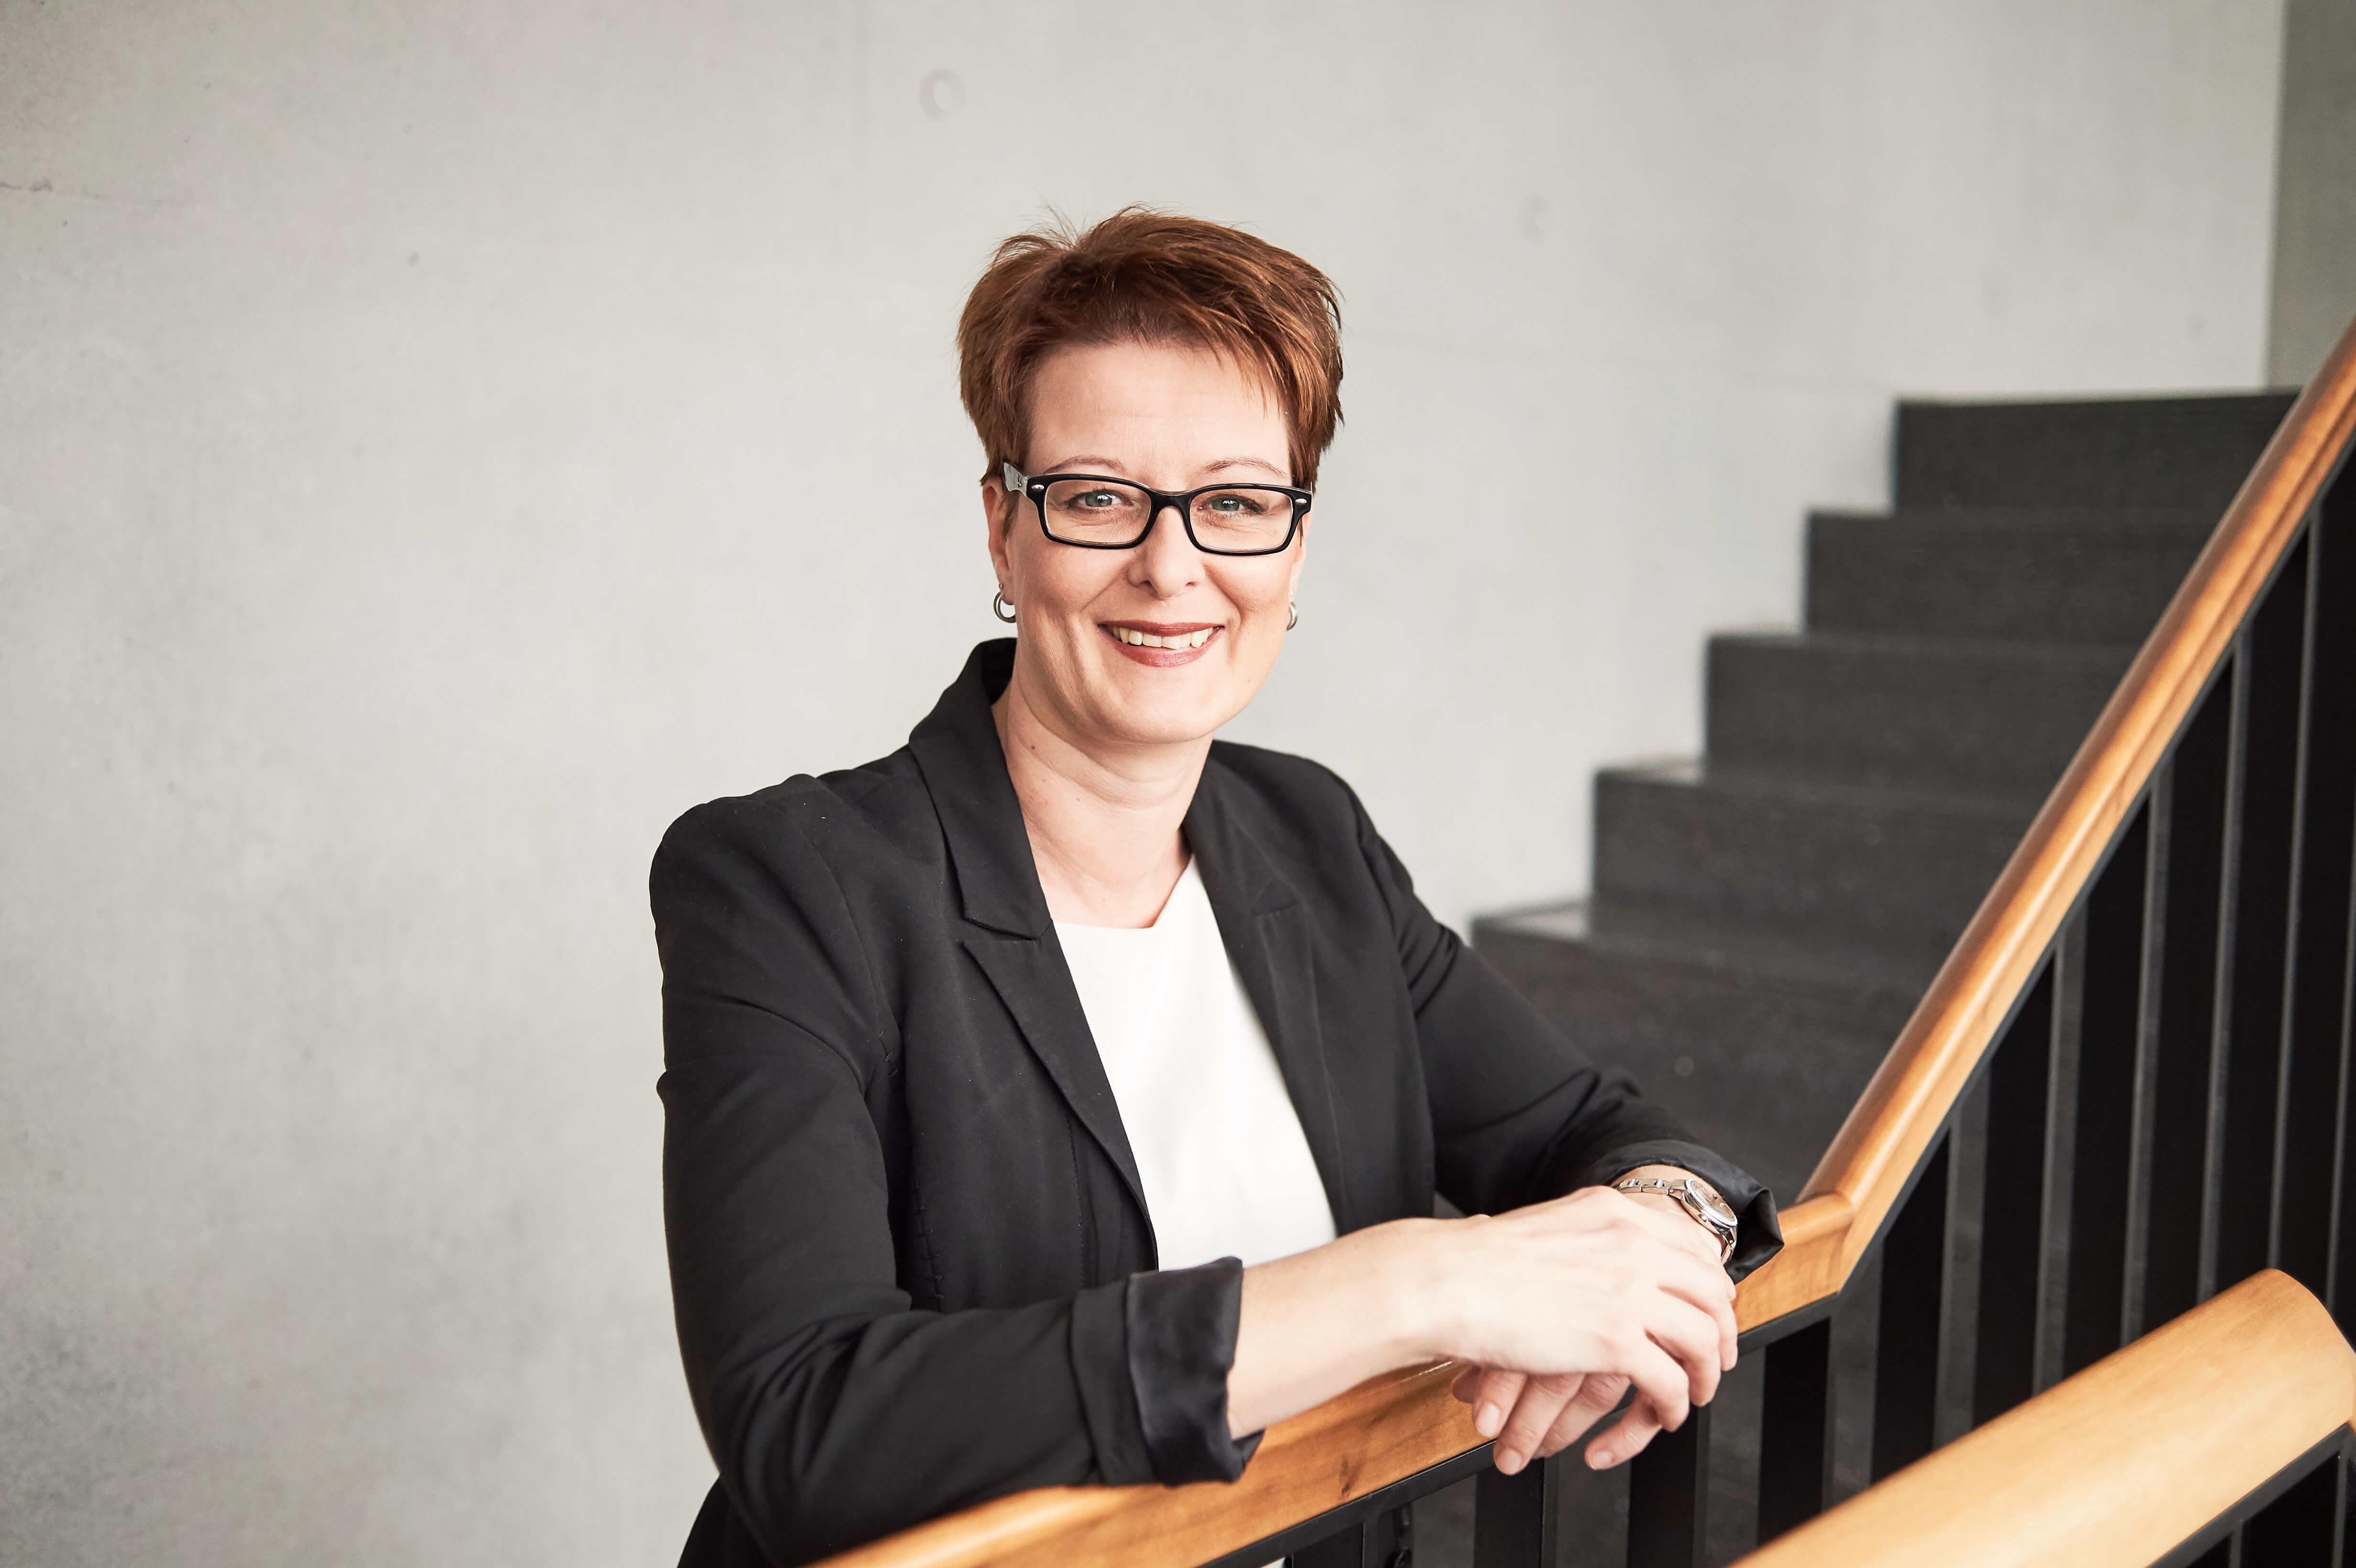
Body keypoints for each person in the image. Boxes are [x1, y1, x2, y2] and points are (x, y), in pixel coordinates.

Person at [651, 208, 1781, 1568]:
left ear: (1294, 550)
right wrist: (1417, 1281)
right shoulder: (787, 882)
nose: (1172, 566)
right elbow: (808, 1429)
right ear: (1005, 531)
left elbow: (1596, 1131)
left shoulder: (1312, 837)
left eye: (1237, 503)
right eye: (1097, 497)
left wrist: (1661, 1229)